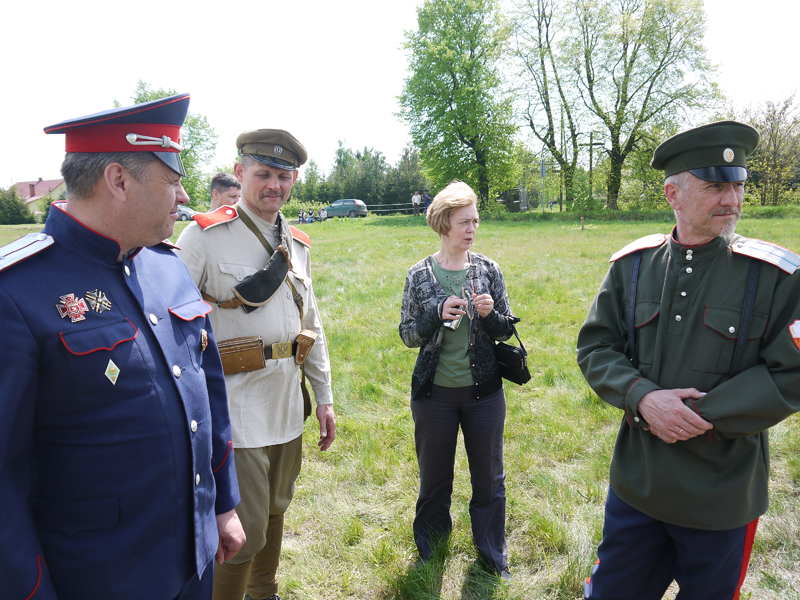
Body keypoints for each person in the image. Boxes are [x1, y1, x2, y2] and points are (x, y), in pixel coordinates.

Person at [0, 93, 244, 600]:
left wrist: (222, 505)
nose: (183, 198)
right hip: (100, 580)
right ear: (118, 180)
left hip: (193, 563)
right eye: (173, 181)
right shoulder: (17, 293)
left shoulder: (167, 264)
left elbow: (208, 392)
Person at [577, 121, 800, 600]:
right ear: (672, 194)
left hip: (721, 497)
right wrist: (643, 398)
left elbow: (792, 373)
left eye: (738, 185)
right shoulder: (632, 267)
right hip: (639, 486)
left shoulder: (777, 278)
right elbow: (596, 347)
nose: (732, 200)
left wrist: (695, 416)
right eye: (715, 185)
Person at [177, 128, 336, 600]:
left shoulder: (298, 243)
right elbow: (173, 325)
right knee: (243, 528)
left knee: (274, 509)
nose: (274, 185)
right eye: (263, 174)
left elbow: (312, 324)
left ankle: (264, 593)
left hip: (286, 405)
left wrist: (323, 397)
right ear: (241, 172)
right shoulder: (203, 237)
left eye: (283, 176)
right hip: (235, 407)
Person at [399, 180, 517, 580]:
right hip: (434, 397)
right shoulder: (419, 275)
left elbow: (505, 330)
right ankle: (432, 550)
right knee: (435, 479)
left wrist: (489, 315)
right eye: (464, 221)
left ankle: (491, 555)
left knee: (489, 479)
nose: (472, 229)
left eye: (476, 221)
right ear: (443, 221)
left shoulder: (488, 269)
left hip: (484, 395)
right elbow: (407, 335)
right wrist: (435, 312)